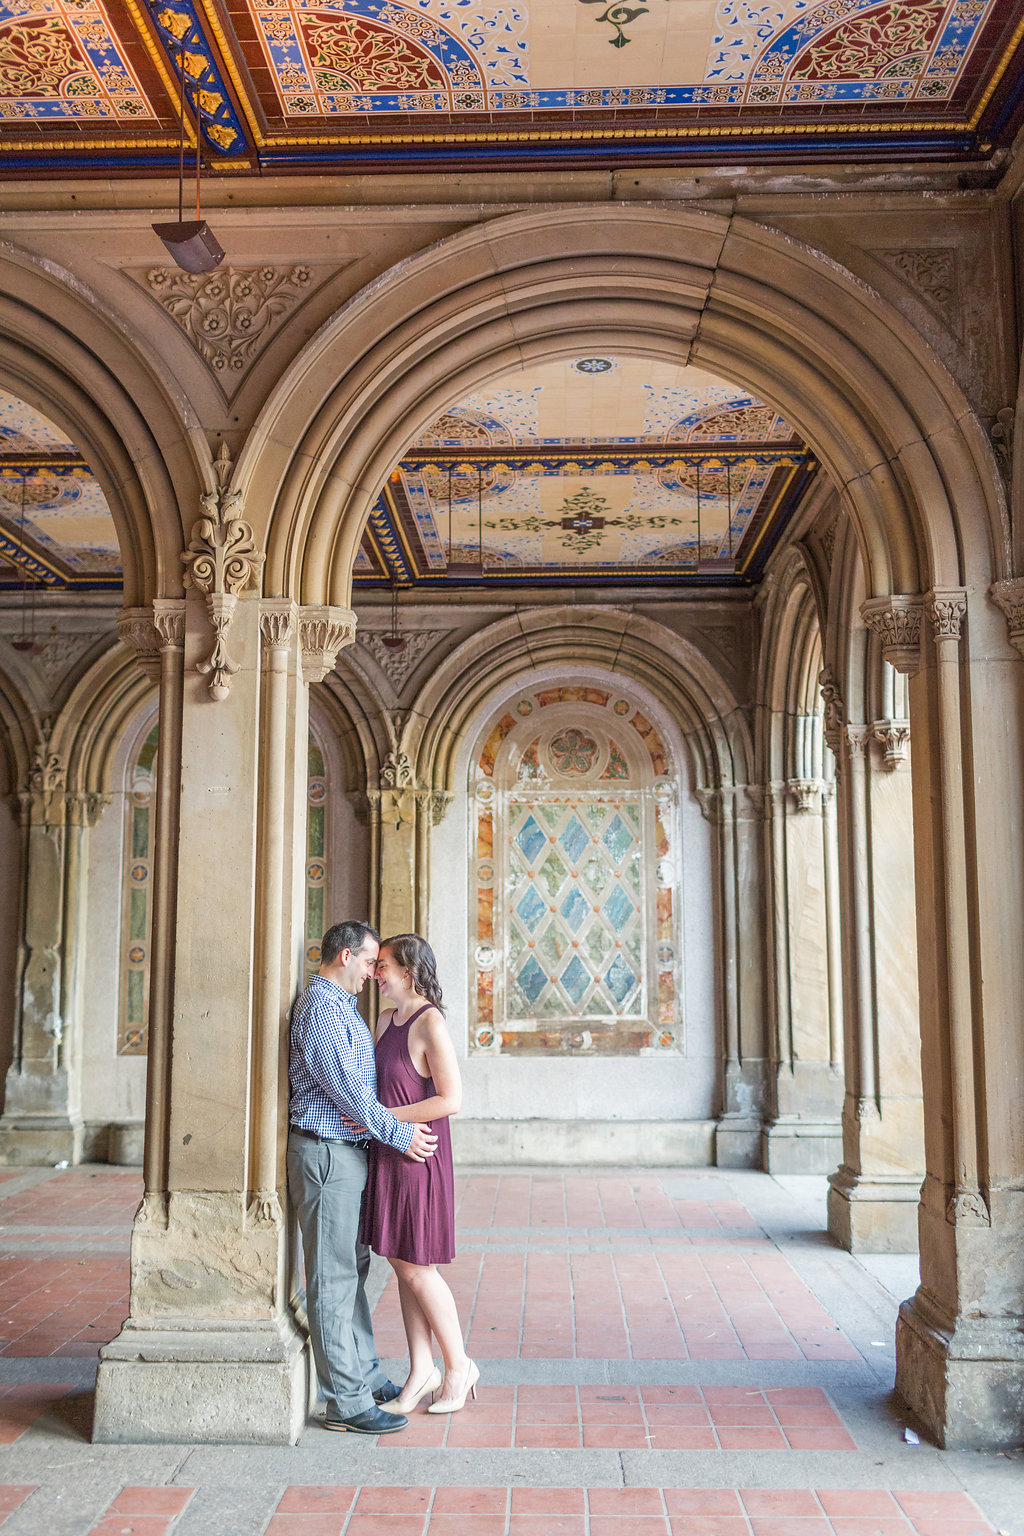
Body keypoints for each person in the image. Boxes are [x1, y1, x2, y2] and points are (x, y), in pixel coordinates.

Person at [287, 919, 438, 1435]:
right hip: (326, 1154)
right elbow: (347, 1090)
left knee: (349, 1272)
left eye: (381, 964)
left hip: (347, 1153)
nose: (376, 971)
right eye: (371, 961)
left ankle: (367, 1378)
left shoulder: (343, 1008)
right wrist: (398, 1135)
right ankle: (346, 1403)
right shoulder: (321, 1007)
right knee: (331, 1280)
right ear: (345, 956)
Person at [359, 933, 478, 1415]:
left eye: (382, 965)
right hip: (389, 1152)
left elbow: (450, 1100)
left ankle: (458, 1365)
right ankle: (420, 1371)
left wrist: (384, 1118)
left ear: (407, 969)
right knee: (404, 1264)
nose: (375, 973)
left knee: (417, 1269)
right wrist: (373, 1118)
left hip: (418, 1157)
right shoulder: (386, 1019)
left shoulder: (430, 1022)